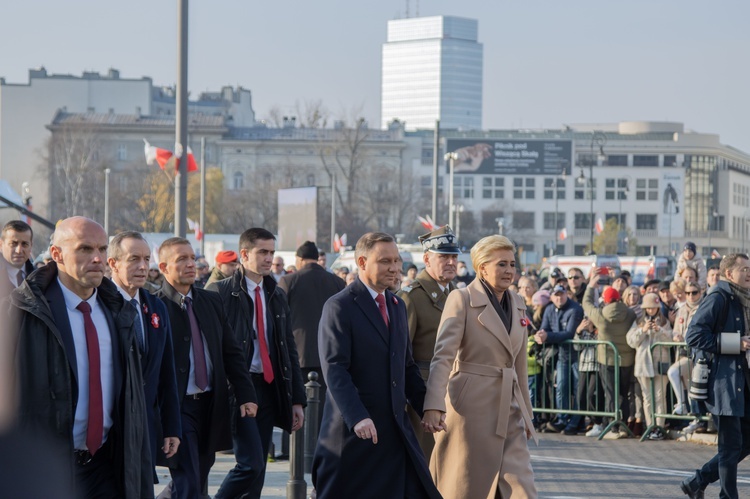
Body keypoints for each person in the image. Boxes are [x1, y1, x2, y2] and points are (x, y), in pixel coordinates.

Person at [10, 216, 151, 498]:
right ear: (57, 254)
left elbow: (132, 399)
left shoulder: (119, 313)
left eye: (101, 249)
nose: (97, 259)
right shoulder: (20, 314)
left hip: (107, 466)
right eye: (85, 249)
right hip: (45, 468)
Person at [313, 232, 440, 499]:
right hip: (353, 436)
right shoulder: (339, 306)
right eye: (385, 261)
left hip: (394, 433)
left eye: (397, 260)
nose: (394, 268)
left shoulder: (395, 306)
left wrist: (427, 408)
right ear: (362, 261)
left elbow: (406, 367)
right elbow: (335, 368)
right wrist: (357, 416)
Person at [422, 234, 537, 498]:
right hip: (469, 409)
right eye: (501, 264)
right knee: (466, 486)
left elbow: (518, 365)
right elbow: (443, 356)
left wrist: (527, 414)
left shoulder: (518, 303)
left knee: (523, 488)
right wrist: (433, 405)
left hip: (509, 409)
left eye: (512, 264)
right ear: (482, 267)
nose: (509, 271)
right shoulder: (461, 299)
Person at [155, 237, 258, 499]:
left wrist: (246, 394)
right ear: (164, 266)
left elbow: (231, 352)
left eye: (192, 258)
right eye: (182, 259)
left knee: (198, 476)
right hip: (178, 407)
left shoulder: (210, 301)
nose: (191, 264)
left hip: (212, 405)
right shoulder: (155, 306)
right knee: (188, 479)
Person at [208, 228, 306, 498]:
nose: (269, 258)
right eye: (262, 252)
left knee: (259, 467)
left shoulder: (276, 293)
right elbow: (211, 348)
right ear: (244, 255)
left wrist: (296, 399)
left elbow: (288, 350)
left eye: (272, 252)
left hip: (269, 386)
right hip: (239, 387)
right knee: (249, 464)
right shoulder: (220, 291)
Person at [107, 231, 182, 479]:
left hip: (146, 429)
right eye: (133, 259)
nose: (142, 266)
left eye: (146, 259)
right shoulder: (100, 305)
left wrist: (171, 427)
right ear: (113, 263)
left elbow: (166, 371)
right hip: (109, 430)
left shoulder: (155, 306)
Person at [682, 253, 750, 499]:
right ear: (729, 274)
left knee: (744, 442)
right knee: (730, 445)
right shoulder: (719, 298)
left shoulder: (742, 299)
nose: (749, 272)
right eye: (744, 269)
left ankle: (698, 481)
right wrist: (735, 343)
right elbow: (694, 335)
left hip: (741, 382)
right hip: (723, 384)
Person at [397, 226, 459, 459]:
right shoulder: (411, 296)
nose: (451, 262)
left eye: (454, 256)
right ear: (427, 259)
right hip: (422, 393)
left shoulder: (457, 294)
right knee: (424, 460)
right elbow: (403, 353)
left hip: (453, 391)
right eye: (443, 256)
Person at [278, 240, 344, 442]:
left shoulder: (289, 281)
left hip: (297, 353)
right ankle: (319, 445)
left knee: (296, 404)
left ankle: (295, 452)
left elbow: (279, 317)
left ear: (299, 260)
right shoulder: (337, 282)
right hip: (330, 352)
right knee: (323, 405)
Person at [583, 272, 637, 437]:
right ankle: (623, 424)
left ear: (606, 300)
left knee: (610, 393)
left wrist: (591, 286)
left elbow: (586, 303)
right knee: (624, 393)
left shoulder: (600, 315)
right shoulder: (630, 313)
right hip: (627, 360)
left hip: (607, 359)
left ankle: (611, 424)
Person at [535, 284, 583, 433]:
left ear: (566, 294)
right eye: (556, 295)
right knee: (561, 388)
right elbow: (545, 328)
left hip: (577, 356)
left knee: (577, 390)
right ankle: (562, 419)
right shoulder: (549, 309)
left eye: (561, 294)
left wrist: (547, 336)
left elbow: (569, 334)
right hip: (562, 356)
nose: (558, 297)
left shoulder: (575, 309)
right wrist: (541, 335)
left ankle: (575, 422)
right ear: (551, 296)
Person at [627, 293, 673, 440]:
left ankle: (659, 427)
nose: (651, 311)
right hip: (643, 363)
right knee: (647, 397)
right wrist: (643, 330)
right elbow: (631, 341)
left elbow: (671, 338)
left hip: (661, 362)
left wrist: (660, 331)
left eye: (654, 308)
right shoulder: (639, 321)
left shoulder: (664, 321)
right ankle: (650, 426)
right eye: (648, 308)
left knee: (660, 396)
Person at [667, 281, 702, 417]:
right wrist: (676, 336)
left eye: (694, 292)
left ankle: (683, 405)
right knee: (688, 385)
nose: (691, 296)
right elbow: (675, 330)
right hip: (681, 352)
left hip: (695, 353)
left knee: (673, 372)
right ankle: (693, 416)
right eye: (687, 293)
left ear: (700, 293)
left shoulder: (703, 308)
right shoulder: (681, 310)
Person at [0, 220, 34, 296]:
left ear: (31, 246)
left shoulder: (39, 278)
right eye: (13, 244)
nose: (19, 250)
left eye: (24, 244)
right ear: (1, 245)